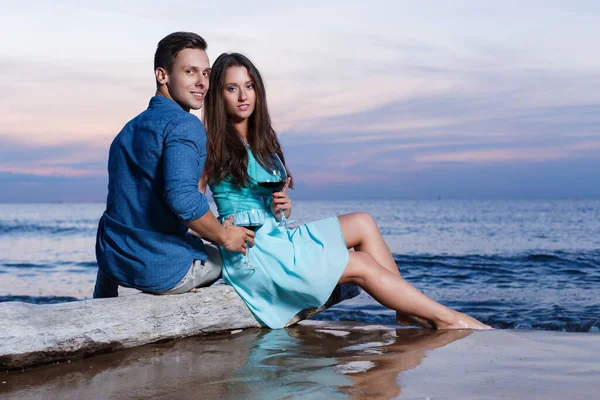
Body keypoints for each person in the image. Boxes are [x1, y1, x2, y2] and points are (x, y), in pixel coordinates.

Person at [201, 52, 491, 330]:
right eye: (232, 88)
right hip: (255, 254)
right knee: (361, 263)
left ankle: (405, 312)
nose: (243, 96)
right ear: (219, 95)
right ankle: (449, 319)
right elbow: (186, 202)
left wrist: (283, 206)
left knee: (363, 221)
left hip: (279, 238)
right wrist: (219, 232)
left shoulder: (263, 140)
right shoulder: (211, 143)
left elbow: (280, 209)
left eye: (249, 86)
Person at [94, 33, 254, 298]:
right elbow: (182, 200)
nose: (202, 82)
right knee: (235, 259)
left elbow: (129, 206)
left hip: (114, 260)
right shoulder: (184, 124)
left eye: (206, 73)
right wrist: (224, 236)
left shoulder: (127, 130)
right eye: (190, 72)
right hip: (157, 270)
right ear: (162, 75)